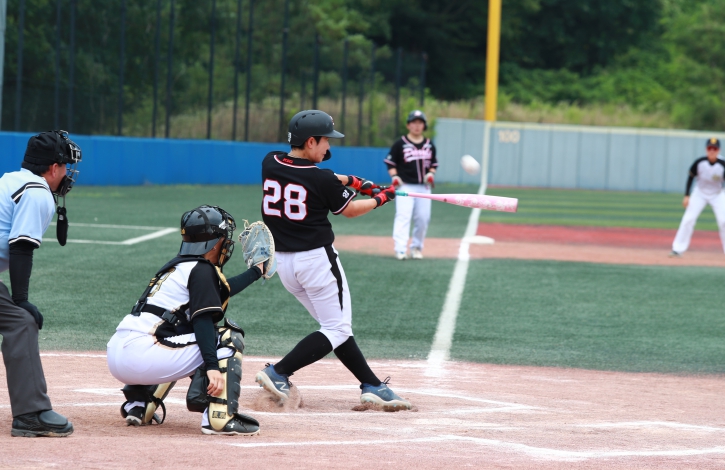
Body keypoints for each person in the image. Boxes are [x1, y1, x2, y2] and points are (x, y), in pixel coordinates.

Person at [254, 110, 411, 412]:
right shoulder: (321, 178)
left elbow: (313, 177)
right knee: (336, 329)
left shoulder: (270, 161)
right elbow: (348, 209)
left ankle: (372, 385)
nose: (328, 146)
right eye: (325, 140)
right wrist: (381, 198)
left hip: (284, 265)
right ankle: (279, 371)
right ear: (310, 141)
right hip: (316, 262)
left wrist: (352, 181)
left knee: (335, 328)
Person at [106, 205, 265, 435]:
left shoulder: (177, 267)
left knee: (176, 336)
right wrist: (212, 367)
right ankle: (219, 418)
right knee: (227, 338)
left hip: (118, 354)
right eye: (224, 237)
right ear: (215, 242)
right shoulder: (202, 270)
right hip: (144, 356)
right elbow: (203, 322)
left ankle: (140, 404)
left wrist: (256, 271)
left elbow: (221, 290)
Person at [0, 130, 81, 437]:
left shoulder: (11, 180)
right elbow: (21, 246)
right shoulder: (36, 191)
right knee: (21, 322)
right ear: (53, 167)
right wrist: (21, 300)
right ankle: (31, 414)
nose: (68, 173)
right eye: (66, 166)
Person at [384, 110, 438, 260]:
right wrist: (394, 176)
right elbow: (390, 163)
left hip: (424, 187)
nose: (417, 125)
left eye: (420, 122)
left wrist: (431, 173)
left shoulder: (429, 145)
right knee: (403, 216)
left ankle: (416, 248)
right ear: (408, 125)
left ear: (424, 126)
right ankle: (400, 249)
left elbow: (433, 164)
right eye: (414, 122)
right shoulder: (400, 144)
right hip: (405, 187)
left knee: (423, 219)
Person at [670, 138, 725, 257]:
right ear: (706, 149)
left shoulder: (723, 164)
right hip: (700, 193)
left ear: (718, 150)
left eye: (714, 148)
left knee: (724, 221)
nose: (712, 151)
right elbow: (691, 177)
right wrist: (686, 195)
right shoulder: (699, 162)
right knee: (688, 219)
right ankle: (677, 249)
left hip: (717, 194)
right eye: (709, 148)